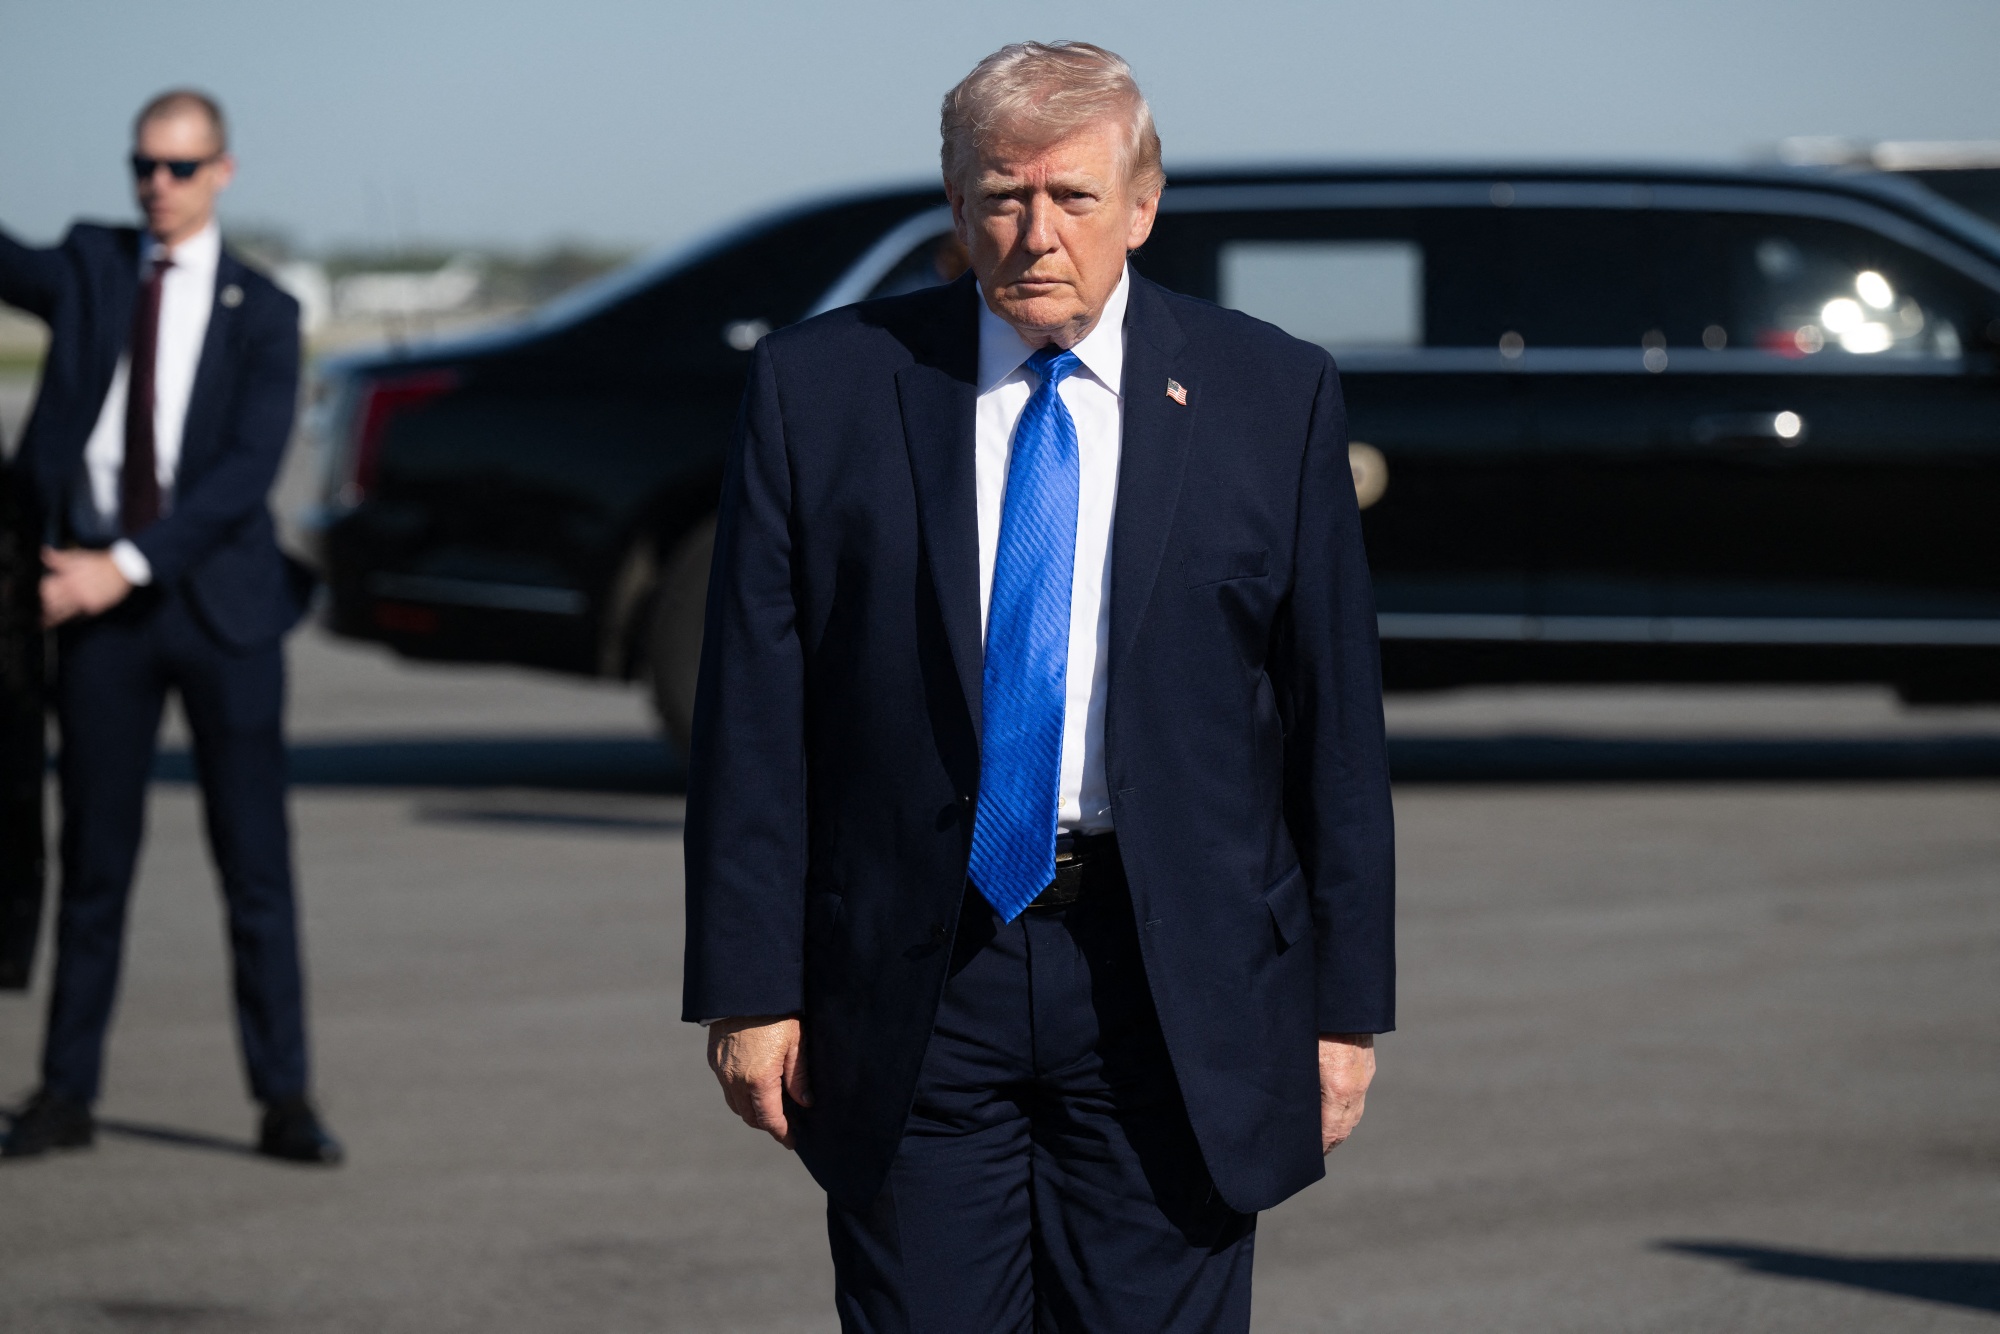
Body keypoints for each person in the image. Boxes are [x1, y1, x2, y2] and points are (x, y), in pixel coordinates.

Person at [686, 41, 1393, 1332]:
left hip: (1171, 981)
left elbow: (1334, 729)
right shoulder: (821, 389)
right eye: (1001, 196)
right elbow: (755, 712)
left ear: (1143, 201)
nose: (1034, 233)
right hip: (914, 975)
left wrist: (1345, 1008)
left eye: (1070, 197)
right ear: (955, 208)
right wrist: (749, 983)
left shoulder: (1270, 396)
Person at [0, 90, 339, 1164]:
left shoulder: (268, 310)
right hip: (100, 624)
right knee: (96, 864)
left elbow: (243, 475)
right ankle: (64, 1093)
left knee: (255, 869)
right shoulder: (95, 266)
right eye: (143, 163)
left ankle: (284, 1099)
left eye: (180, 167)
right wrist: (97, 577)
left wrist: (124, 567)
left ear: (222, 173)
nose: (157, 183)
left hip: (220, 615)